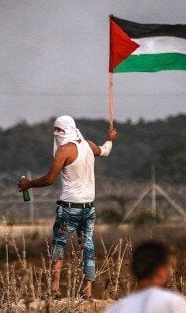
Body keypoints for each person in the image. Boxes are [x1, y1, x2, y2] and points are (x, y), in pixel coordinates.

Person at [17, 115, 117, 299]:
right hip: (89, 208)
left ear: (65, 130)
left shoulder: (64, 150)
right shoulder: (88, 145)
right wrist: (110, 138)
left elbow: (49, 179)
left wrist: (28, 184)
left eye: (59, 130)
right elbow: (105, 151)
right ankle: (87, 292)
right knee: (87, 247)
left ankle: (55, 290)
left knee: (58, 245)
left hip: (69, 207)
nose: (57, 134)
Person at [106, 241, 186, 313]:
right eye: (167, 267)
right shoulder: (175, 303)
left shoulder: (117, 309)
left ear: (133, 271)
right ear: (160, 271)